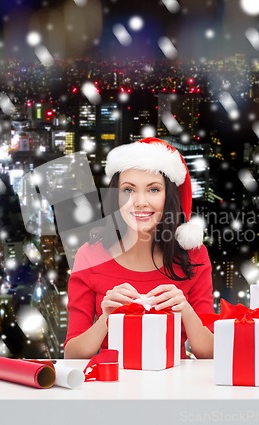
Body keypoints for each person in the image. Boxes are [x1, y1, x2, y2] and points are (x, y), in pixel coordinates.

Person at [63, 137, 214, 359]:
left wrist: (185, 310)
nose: (140, 202)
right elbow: (72, 355)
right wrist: (107, 318)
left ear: (168, 196)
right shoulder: (91, 255)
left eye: (153, 190)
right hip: (113, 386)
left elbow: (210, 353)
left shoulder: (194, 255)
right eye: (128, 190)